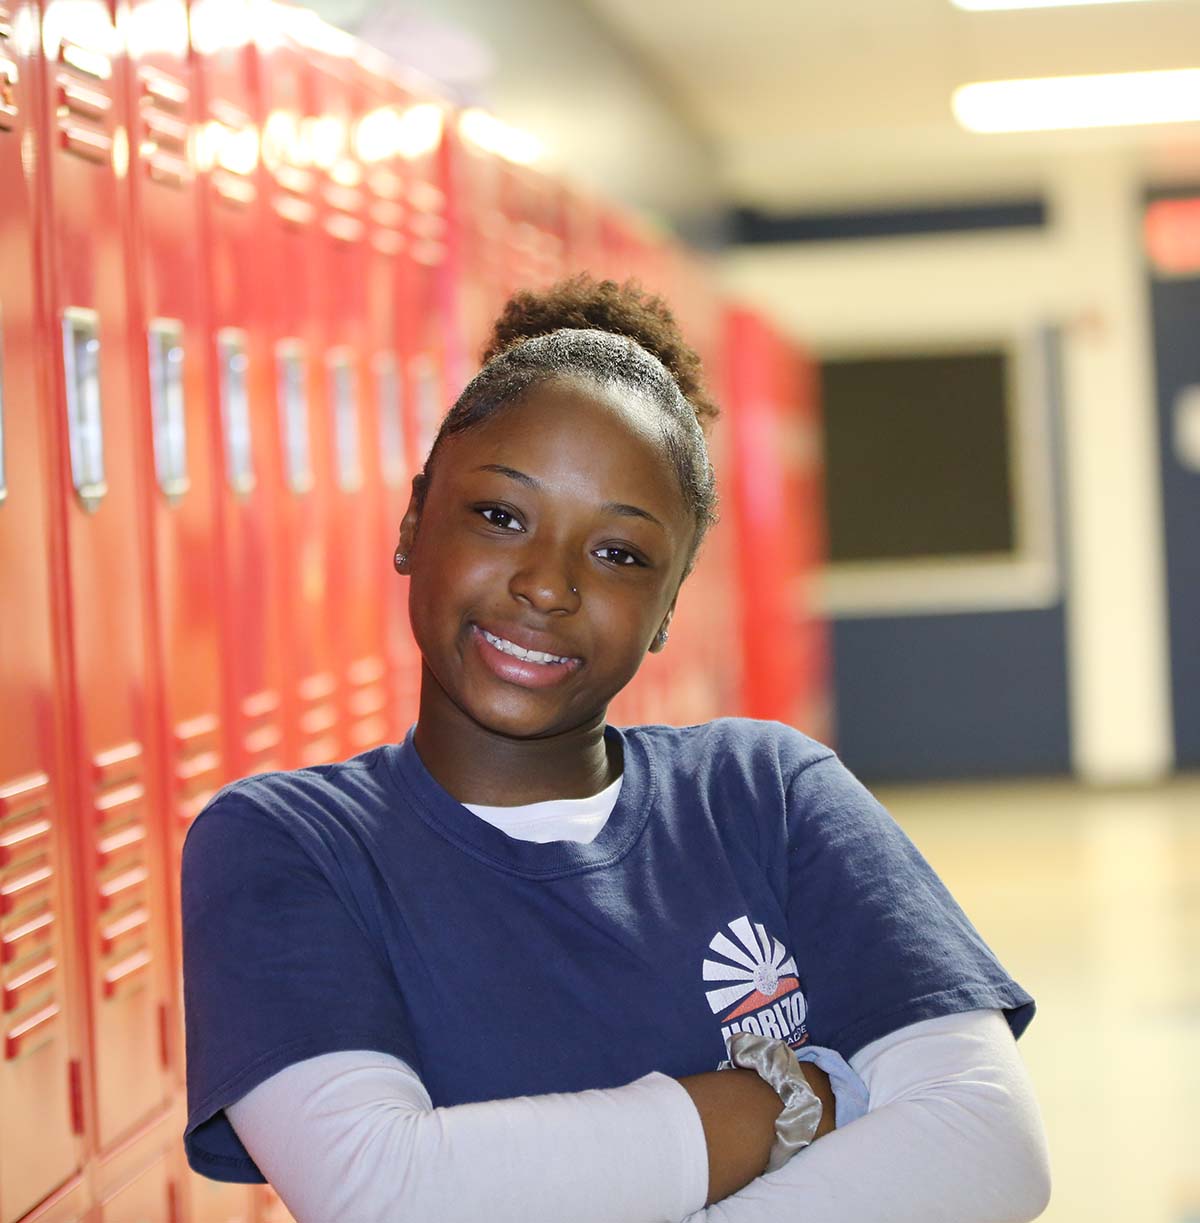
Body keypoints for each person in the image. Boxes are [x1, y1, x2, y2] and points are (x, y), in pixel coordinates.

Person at [182, 276, 1052, 1222]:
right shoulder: (287, 846)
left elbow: (986, 1143)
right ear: (411, 522)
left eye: (621, 555)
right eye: (500, 516)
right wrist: (794, 1098)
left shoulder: (769, 794)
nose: (547, 585)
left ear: (670, 606)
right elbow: (388, 1192)